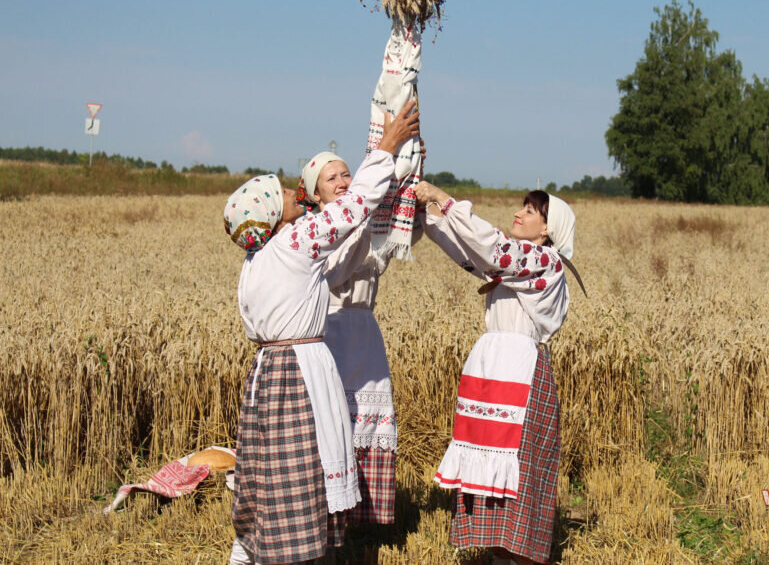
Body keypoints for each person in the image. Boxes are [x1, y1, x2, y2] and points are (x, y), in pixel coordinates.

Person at [224, 103, 418, 565]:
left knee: (275, 470)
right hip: (300, 370)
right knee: (306, 469)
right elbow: (355, 204)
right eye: (281, 193)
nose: (291, 194)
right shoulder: (295, 241)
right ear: (272, 212)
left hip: (266, 373)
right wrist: (387, 148)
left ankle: (257, 547)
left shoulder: (255, 261)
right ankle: (302, 551)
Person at [414, 181, 578, 565]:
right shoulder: (516, 264)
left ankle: (520, 557)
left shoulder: (546, 262)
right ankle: (499, 557)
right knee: (490, 473)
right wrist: (426, 216)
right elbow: (470, 253)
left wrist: (442, 199)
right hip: (494, 370)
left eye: (530, 211)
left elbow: (492, 248)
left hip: (521, 376)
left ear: (548, 230)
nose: (518, 213)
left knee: (517, 474)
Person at [294, 145, 425, 525]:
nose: (341, 182)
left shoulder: (364, 221)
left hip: (364, 333)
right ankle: (323, 512)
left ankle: (361, 515)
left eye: (346, 174)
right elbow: (333, 270)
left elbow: (397, 241)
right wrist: (366, 222)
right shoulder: (314, 231)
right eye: (331, 178)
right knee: (330, 418)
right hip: (328, 330)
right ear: (314, 193)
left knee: (367, 417)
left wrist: (408, 198)